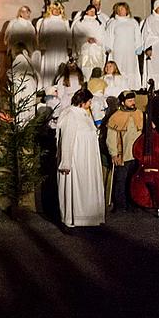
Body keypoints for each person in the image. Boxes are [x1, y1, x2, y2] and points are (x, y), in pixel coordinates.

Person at [57, 88, 105, 228]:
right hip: (77, 159)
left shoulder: (84, 114)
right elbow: (67, 139)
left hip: (88, 160)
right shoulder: (70, 114)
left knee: (88, 187)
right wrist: (66, 162)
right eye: (89, 101)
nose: (90, 104)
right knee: (76, 188)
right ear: (83, 102)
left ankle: (90, 219)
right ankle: (73, 219)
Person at [105, 90, 142, 213]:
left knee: (135, 180)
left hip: (138, 155)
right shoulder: (116, 117)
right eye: (130, 101)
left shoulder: (140, 114)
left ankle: (134, 204)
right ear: (123, 102)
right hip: (123, 154)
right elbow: (111, 137)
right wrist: (113, 153)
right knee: (121, 180)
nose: (133, 103)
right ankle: (120, 206)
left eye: (133, 100)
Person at [105, 2, 142, 89]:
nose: (121, 10)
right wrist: (108, 47)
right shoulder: (113, 23)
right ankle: (117, 87)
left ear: (127, 10)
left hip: (130, 50)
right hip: (117, 50)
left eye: (123, 8)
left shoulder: (133, 22)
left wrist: (139, 46)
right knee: (118, 67)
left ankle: (130, 87)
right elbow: (108, 36)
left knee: (130, 67)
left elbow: (137, 35)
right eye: (119, 9)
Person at [36, 3, 71, 91]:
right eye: (54, 9)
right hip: (49, 49)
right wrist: (43, 46)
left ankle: (60, 86)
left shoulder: (64, 21)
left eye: (58, 9)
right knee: (50, 66)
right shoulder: (46, 20)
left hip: (61, 48)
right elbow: (42, 34)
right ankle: (48, 87)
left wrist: (69, 46)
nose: (56, 11)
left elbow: (68, 35)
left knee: (60, 65)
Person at [72, 4, 106, 78]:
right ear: (87, 12)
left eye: (94, 12)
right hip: (85, 48)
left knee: (96, 66)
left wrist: (96, 40)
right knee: (85, 66)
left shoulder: (99, 24)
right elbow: (77, 34)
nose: (92, 13)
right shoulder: (80, 23)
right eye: (91, 11)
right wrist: (86, 39)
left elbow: (102, 35)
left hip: (96, 50)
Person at [8, 42, 39, 125]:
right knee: (29, 108)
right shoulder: (26, 58)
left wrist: (8, 73)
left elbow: (15, 74)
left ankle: (22, 127)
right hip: (30, 83)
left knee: (23, 110)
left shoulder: (19, 58)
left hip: (23, 84)